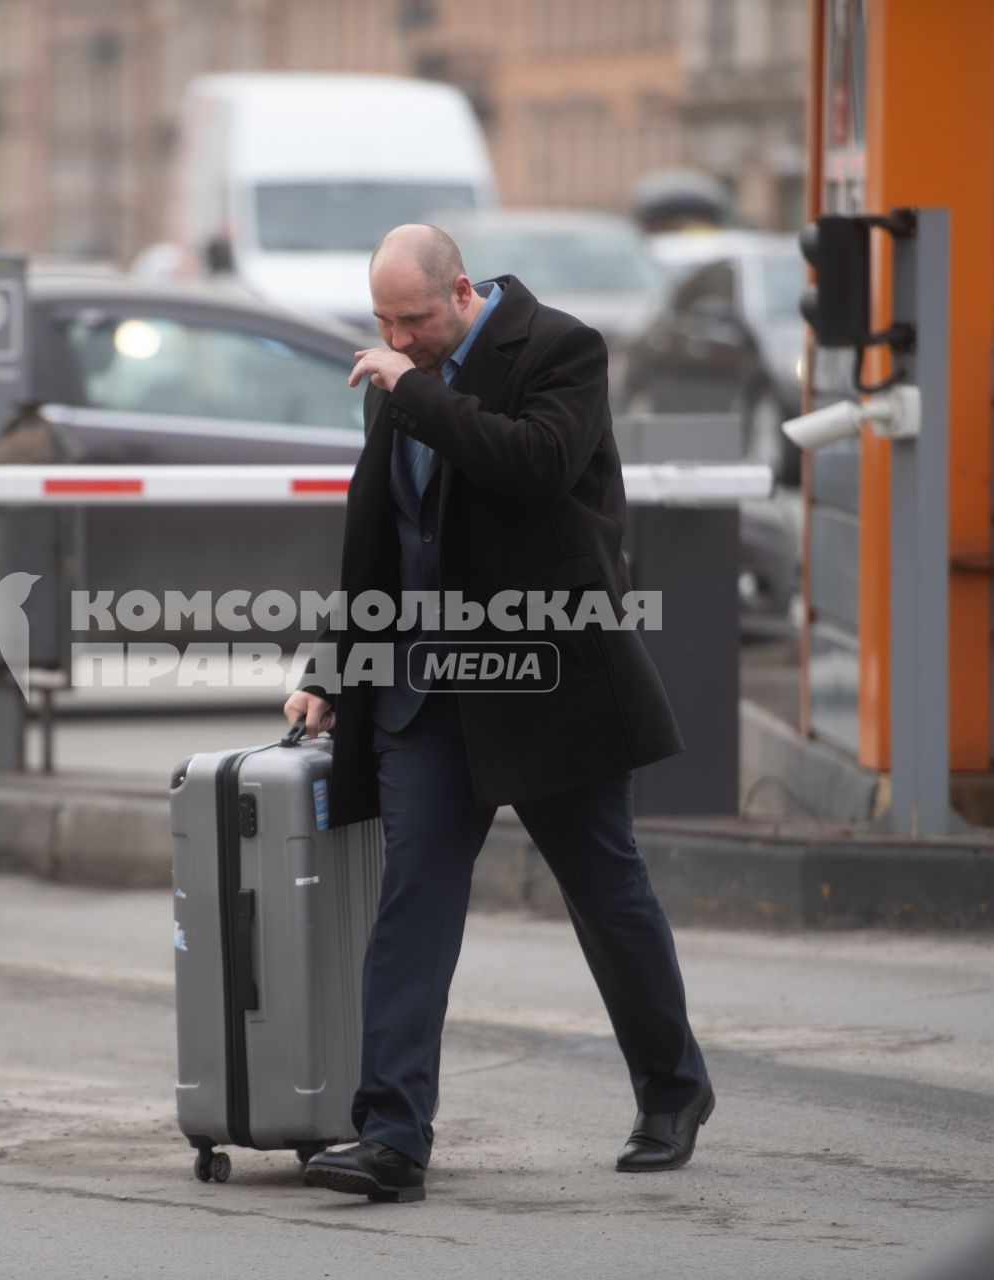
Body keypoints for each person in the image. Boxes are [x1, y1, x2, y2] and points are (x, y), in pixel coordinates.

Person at [282, 224, 712, 1203]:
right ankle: (392, 1134)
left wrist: (413, 388)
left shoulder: (558, 348)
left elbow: (536, 464)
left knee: (605, 890)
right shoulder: (406, 373)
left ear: (462, 291)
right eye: (383, 320)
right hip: (425, 689)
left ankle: (674, 1087)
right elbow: (377, 535)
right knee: (413, 903)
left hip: (546, 676)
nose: (395, 335)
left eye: (414, 317)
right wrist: (333, 668)